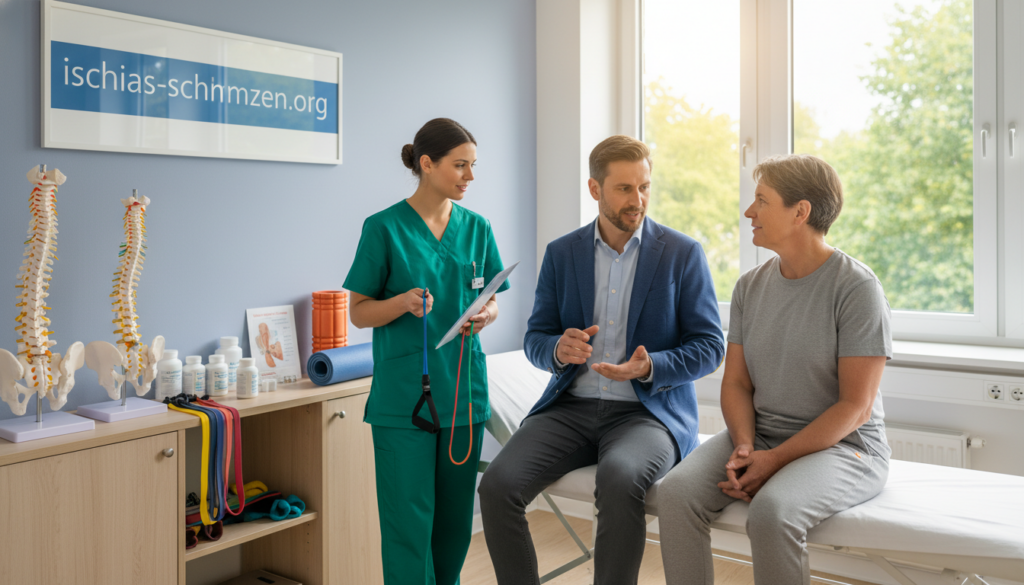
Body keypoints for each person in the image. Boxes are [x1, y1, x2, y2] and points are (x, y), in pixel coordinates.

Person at [478, 135, 724, 585]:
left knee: (618, 478)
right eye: (624, 189)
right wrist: (557, 349)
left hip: (646, 415)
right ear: (595, 189)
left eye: (645, 187)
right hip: (570, 409)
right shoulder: (562, 253)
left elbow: (711, 346)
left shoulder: (681, 253)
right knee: (496, 486)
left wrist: (650, 366)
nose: (638, 200)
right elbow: (535, 336)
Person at [657, 154, 892, 585]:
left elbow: (855, 408)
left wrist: (774, 461)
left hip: (845, 447)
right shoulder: (750, 286)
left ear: (800, 212)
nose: (749, 212)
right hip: (763, 436)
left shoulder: (856, 287)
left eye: (761, 201)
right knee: (673, 495)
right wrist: (746, 449)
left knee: (771, 513)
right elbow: (737, 382)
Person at [344, 118, 510, 585]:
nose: (469, 177)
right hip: (405, 400)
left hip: (462, 393)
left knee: (454, 525)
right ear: (426, 163)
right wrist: (399, 303)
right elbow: (358, 313)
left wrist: (487, 315)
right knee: (408, 527)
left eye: (473, 166)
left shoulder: (477, 228)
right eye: (460, 165)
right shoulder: (383, 228)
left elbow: (492, 297)